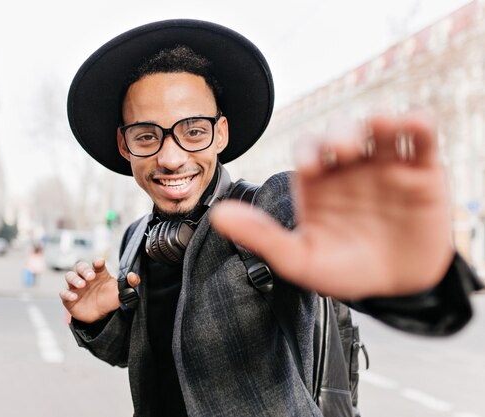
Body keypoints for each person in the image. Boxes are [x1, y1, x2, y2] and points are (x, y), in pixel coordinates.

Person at [59, 19, 483, 416]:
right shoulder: (138, 238)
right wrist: (97, 318)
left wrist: (410, 274)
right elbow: (142, 355)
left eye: (193, 132)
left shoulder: (270, 208)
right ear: (124, 144)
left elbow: (388, 276)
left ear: (220, 133)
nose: (171, 158)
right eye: (148, 136)